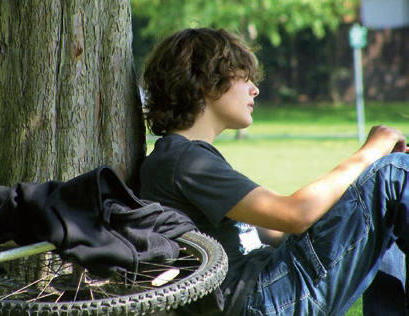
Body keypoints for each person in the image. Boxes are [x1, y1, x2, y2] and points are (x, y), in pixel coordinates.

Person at [139, 27, 409, 316]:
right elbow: (294, 216)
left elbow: (274, 231)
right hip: (259, 299)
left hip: (262, 292)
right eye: (243, 77)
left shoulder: (183, 157)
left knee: (381, 202)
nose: (255, 89)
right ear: (206, 82)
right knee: (394, 173)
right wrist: (370, 153)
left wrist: (360, 189)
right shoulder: (184, 160)